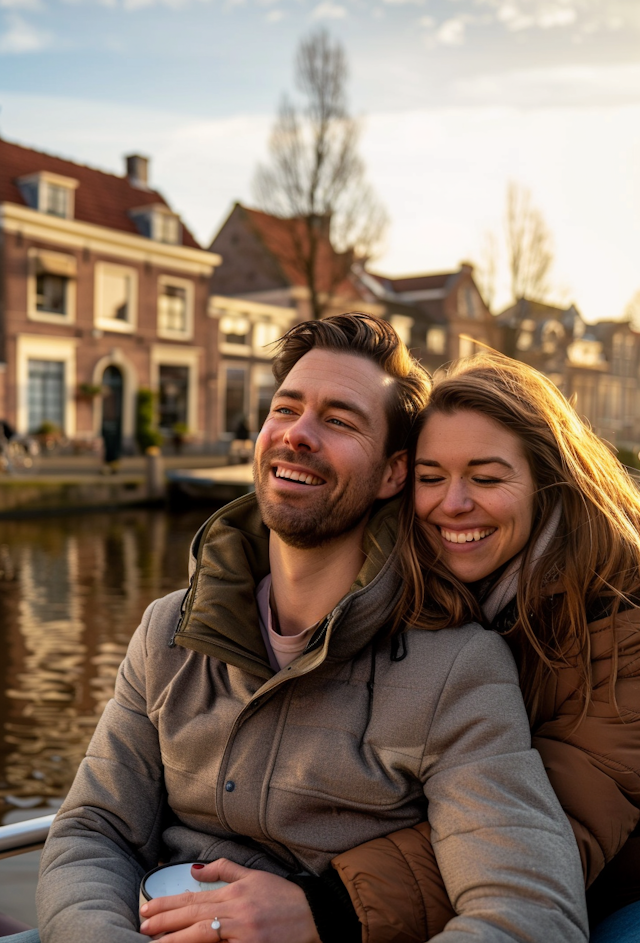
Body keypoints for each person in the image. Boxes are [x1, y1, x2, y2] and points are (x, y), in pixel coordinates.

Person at [7, 316, 587, 943]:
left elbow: (529, 913)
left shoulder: (454, 669)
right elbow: (94, 831)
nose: (298, 434)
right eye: (285, 408)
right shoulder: (167, 632)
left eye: (339, 420)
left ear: (394, 474)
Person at [330, 350, 640, 943]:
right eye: (431, 478)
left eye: (487, 478)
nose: (453, 504)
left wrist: (330, 902)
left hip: (613, 892)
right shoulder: (415, 594)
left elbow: (552, 830)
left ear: (547, 484)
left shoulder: (622, 618)